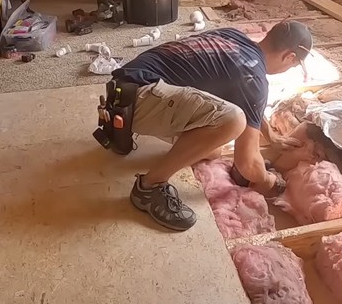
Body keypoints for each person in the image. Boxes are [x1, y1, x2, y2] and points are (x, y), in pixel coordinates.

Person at [110, 20, 313, 231]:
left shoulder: (234, 37)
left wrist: (270, 135)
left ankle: (119, 128)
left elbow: (244, 96)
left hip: (124, 89)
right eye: (294, 64)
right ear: (289, 57)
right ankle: (149, 187)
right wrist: (269, 181)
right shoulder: (254, 77)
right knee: (233, 121)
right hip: (140, 99)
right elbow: (247, 164)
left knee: (213, 149)